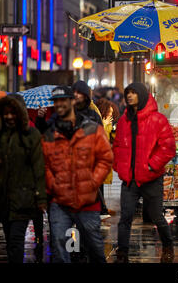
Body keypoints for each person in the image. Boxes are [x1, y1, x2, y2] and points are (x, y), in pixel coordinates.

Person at [41, 86, 113, 263]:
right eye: (56, 102)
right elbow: (43, 163)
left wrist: (92, 182)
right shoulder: (50, 133)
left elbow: (105, 158)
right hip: (59, 201)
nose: (59, 105)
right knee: (59, 244)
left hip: (87, 201)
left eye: (63, 101)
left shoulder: (91, 129)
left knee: (95, 245)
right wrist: (53, 184)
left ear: (72, 102)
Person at [113, 83, 176, 263]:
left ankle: (168, 245)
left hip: (151, 178)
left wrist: (151, 166)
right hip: (129, 179)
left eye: (133, 93)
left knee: (156, 216)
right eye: (128, 93)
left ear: (141, 95)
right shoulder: (124, 120)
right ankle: (122, 253)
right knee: (125, 217)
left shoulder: (157, 119)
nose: (130, 96)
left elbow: (168, 148)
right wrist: (119, 166)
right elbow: (117, 145)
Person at [0, 95, 47, 263]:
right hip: (4, 199)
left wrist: (41, 198)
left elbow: (38, 167)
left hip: (23, 198)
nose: (9, 116)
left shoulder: (30, 134)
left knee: (16, 241)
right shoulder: (1, 135)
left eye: (13, 113)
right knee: (9, 238)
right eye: (6, 113)